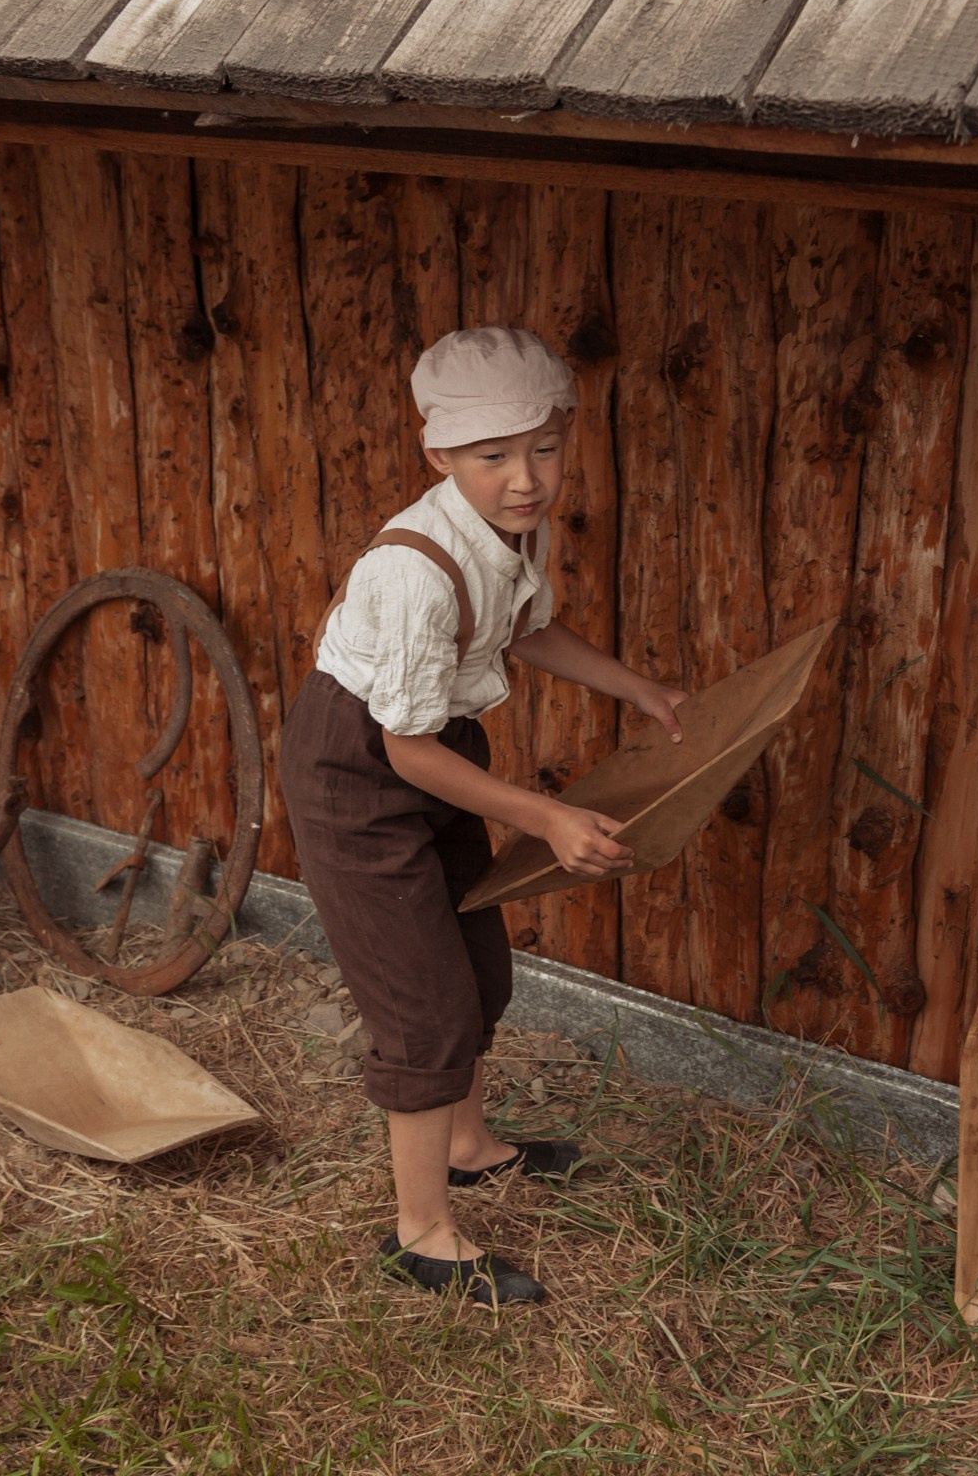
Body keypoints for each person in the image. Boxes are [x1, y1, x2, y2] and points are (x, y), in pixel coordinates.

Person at [279, 326, 689, 1308]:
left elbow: (527, 626)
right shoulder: (411, 570)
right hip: (361, 767)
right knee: (422, 1007)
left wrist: (641, 690)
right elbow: (400, 749)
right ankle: (420, 1231)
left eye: (543, 449)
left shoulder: (511, 528)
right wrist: (546, 815)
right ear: (440, 457)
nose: (525, 478)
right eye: (493, 456)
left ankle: (466, 1144)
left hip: (439, 749)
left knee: (476, 968)